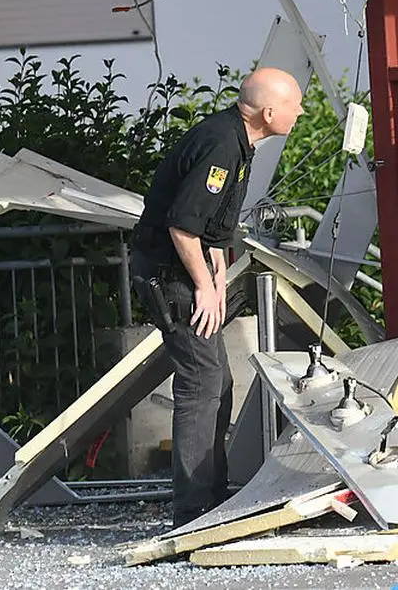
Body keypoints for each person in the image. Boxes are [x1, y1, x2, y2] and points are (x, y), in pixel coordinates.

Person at [130, 66, 305, 528]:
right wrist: (204, 287)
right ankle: (193, 509)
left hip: (188, 273)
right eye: (294, 104)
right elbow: (183, 225)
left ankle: (213, 497)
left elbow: (213, 227)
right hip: (171, 276)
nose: (300, 111)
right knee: (202, 383)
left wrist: (219, 277)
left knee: (218, 381)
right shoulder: (223, 145)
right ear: (269, 111)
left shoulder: (238, 141)